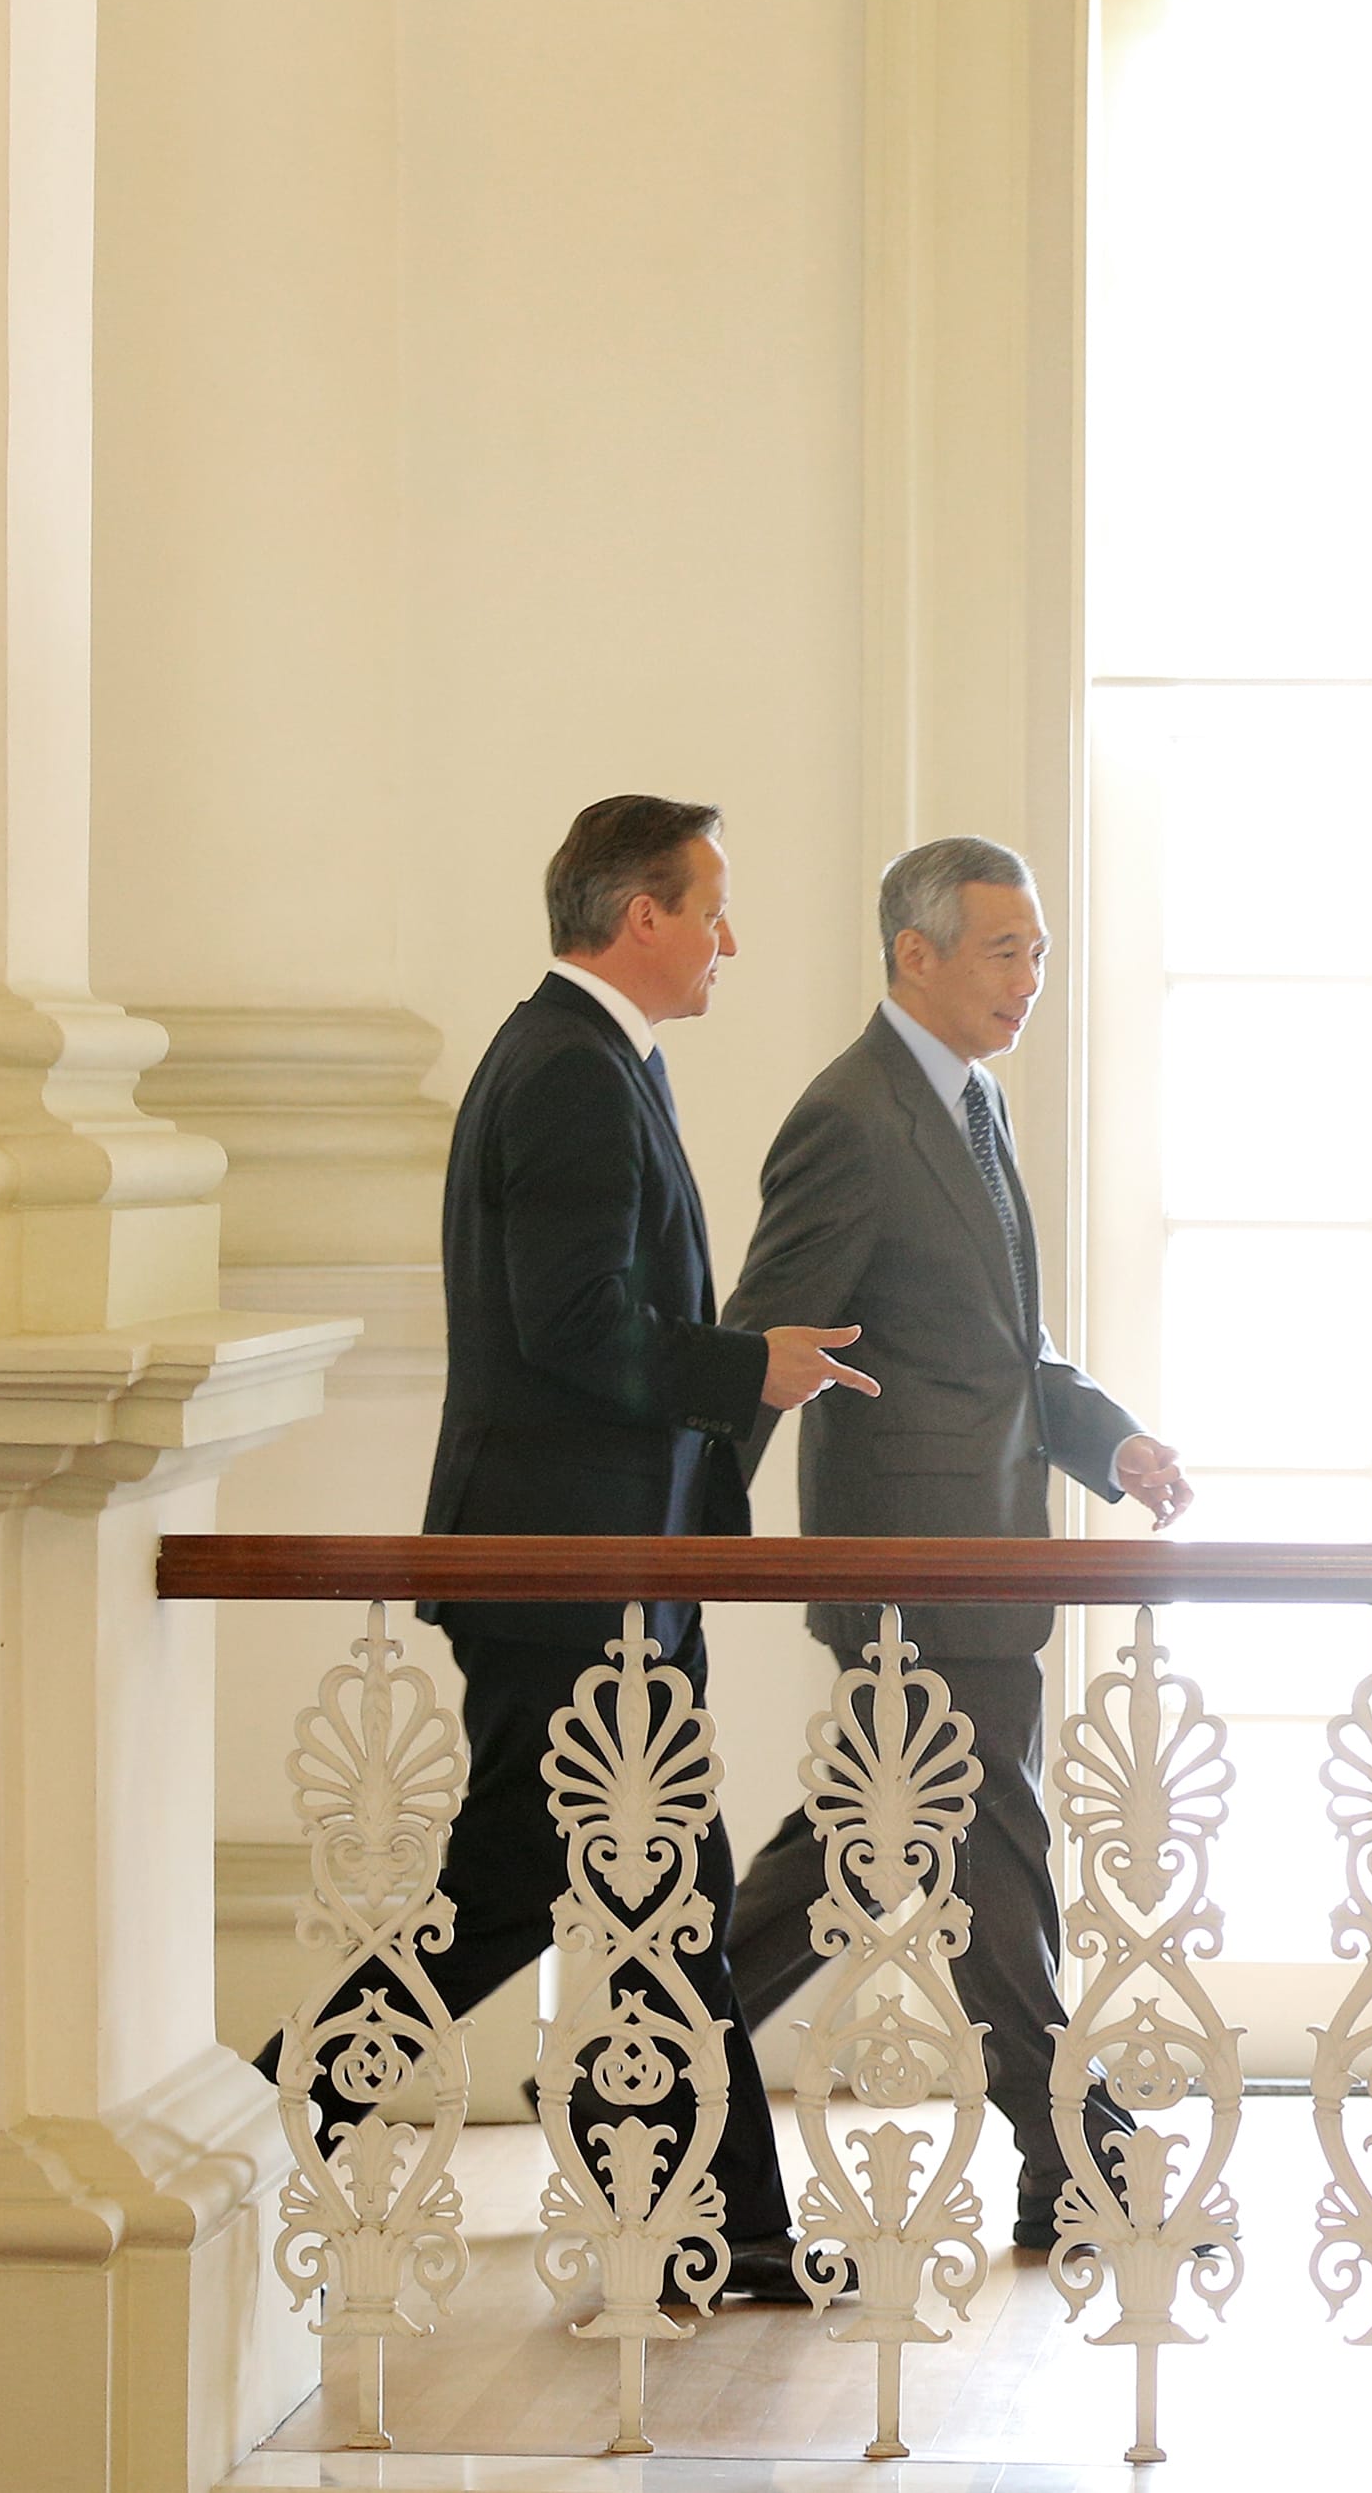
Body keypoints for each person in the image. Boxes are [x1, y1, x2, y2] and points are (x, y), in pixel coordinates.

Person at [265, 794, 873, 2309]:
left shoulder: (585, 1057)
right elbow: (575, 1327)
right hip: (563, 1578)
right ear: (639, 916)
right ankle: (260, 2119)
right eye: (712, 907)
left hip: (604, 1572)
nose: (731, 938)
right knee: (514, 1897)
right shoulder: (568, 1073)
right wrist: (750, 1370)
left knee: (676, 1907)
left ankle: (723, 2236)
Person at [720, 834, 1195, 2252]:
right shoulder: (852, 1118)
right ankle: (1076, 2164)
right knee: (992, 1851)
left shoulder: (970, 1108)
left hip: (984, 1563)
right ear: (912, 954)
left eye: (1038, 952)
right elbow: (768, 1335)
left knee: (859, 1859)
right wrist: (683, 1535)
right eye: (1004, 950)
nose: (1030, 978)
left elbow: (1004, 1351)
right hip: (906, 1577)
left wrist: (1106, 1441)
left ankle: (648, 2083)